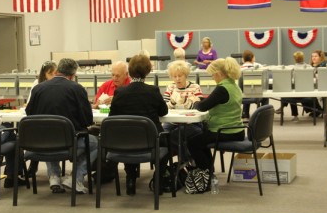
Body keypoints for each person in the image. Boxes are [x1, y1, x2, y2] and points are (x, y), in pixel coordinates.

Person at [25, 58, 98, 194]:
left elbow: (29, 113)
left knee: (49, 133)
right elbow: (87, 120)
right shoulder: (77, 89)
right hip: (68, 143)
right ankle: (76, 178)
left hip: (40, 143)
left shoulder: (38, 89)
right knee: (95, 143)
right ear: (73, 75)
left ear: (57, 71)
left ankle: (54, 177)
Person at [109, 54, 169, 196]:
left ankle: (130, 178)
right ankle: (159, 180)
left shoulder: (120, 92)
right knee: (167, 142)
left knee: (130, 136)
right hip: (151, 141)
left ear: (129, 72)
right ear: (147, 72)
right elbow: (164, 111)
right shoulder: (152, 91)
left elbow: (112, 117)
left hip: (124, 142)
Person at [190, 57, 244, 176]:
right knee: (201, 140)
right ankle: (209, 170)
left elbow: (203, 107)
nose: (213, 78)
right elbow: (213, 101)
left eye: (212, 75)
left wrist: (195, 102)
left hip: (224, 130)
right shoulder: (234, 86)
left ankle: (205, 173)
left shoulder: (222, 88)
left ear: (219, 74)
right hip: (237, 129)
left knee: (193, 143)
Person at [162, 60, 204, 158]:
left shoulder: (194, 87)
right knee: (161, 135)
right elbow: (164, 107)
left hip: (192, 123)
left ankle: (185, 161)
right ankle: (170, 165)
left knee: (176, 135)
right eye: (174, 76)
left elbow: (199, 108)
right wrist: (172, 102)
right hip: (172, 122)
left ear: (185, 75)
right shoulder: (170, 88)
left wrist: (185, 102)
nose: (177, 79)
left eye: (180, 76)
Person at [276, 51, 316, 121]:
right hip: (308, 92)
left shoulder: (292, 68)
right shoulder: (310, 67)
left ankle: (294, 115)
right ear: (303, 58)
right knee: (293, 92)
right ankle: (282, 107)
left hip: (296, 93)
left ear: (294, 59)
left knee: (290, 92)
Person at [240, 50, 268, 120]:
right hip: (257, 95)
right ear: (253, 58)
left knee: (246, 90)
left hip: (243, 95)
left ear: (243, 59)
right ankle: (263, 115)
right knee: (265, 95)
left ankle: (245, 115)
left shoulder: (239, 69)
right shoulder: (259, 67)